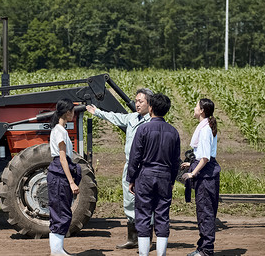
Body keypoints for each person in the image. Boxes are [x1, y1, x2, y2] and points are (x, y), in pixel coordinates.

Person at [86, 88, 153, 249]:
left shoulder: (152, 122)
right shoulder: (131, 118)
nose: (137, 104)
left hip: (144, 168)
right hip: (129, 166)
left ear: (149, 104)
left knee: (145, 203)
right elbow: (115, 117)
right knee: (129, 201)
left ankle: (147, 240)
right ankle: (132, 238)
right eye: (136, 101)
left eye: (141, 101)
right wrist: (97, 112)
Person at [127, 93, 180, 256]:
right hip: (164, 176)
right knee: (162, 215)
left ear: (150, 108)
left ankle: (144, 254)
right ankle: (161, 254)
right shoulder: (173, 132)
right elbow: (176, 160)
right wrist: (171, 180)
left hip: (145, 176)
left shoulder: (143, 129)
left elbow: (134, 156)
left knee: (143, 215)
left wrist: (131, 178)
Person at [182, 99, 221, 256]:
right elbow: (203, 155)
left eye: (196, 106)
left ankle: (206, 250)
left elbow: (205, 158)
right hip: (206, 171)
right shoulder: (207, 126)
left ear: (202, 110)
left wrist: (192, 172)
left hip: (205, 174)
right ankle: (202, 247)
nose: (194, 108)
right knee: (205, 211)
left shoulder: (205, 130)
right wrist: (190, 163)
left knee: (205, 213)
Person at [47, 98, 81, 256]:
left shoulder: (57, 129)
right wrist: (72, 182)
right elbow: (62, 158)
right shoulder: (60, 131)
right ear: (68, 113)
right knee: (62, 212)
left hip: (57, 172)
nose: (74, 114)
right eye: (73, 111)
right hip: (60, 172)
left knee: (58, 210)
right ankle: (57, 251)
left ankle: (57, 249)